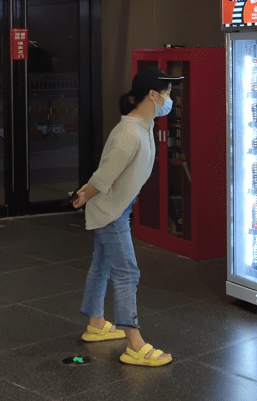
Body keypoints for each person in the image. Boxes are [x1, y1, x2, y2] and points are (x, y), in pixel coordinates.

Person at [71, 67, 182, 367]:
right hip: (111, 211)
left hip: (117, 206)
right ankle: (134, 344)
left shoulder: (144, 126)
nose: (170, 99)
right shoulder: (129, 134)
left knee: (102, 265)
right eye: (167, 93)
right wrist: (83, 196)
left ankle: (96, 324)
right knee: (128, 273)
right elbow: (103, 177)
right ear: (152, 95)